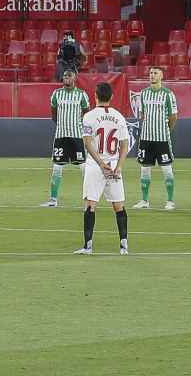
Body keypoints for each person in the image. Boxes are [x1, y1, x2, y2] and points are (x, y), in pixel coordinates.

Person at [74, 81, 131, 255]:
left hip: (96, 165)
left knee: (90, 204)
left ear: (95, 95)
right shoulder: (119, 117)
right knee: (118, 206)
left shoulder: (89, 116)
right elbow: (125, 144)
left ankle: (88, 246)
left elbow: (87, 141)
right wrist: (119, 166)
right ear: (111, 97)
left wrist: (100, 163)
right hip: (114, 164)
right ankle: (124, 246)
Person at [131, 67, 178, 211]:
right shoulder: (143, 94)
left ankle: (170, 201)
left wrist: (166, 130)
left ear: (162, 76)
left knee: (167, 170)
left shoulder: (168, 94)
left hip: (162, 138)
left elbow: (173, 116)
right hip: (146, 138)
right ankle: (144, 200)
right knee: (145, 169)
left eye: (155, 73)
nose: (152, 75)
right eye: (151, 73)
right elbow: (143, 114)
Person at [41, 69, 89, 208]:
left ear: (75, 78)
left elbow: (86, 114)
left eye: (69, 76)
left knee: (83, 167)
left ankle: (89, 198)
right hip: (61, 136)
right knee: (57, 167)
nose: (66, 78)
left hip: (77, 136)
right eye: (64, 76)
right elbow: (54, 114)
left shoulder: (82, 95)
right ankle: (53, 200)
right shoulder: (56, 94)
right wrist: (62, 125)